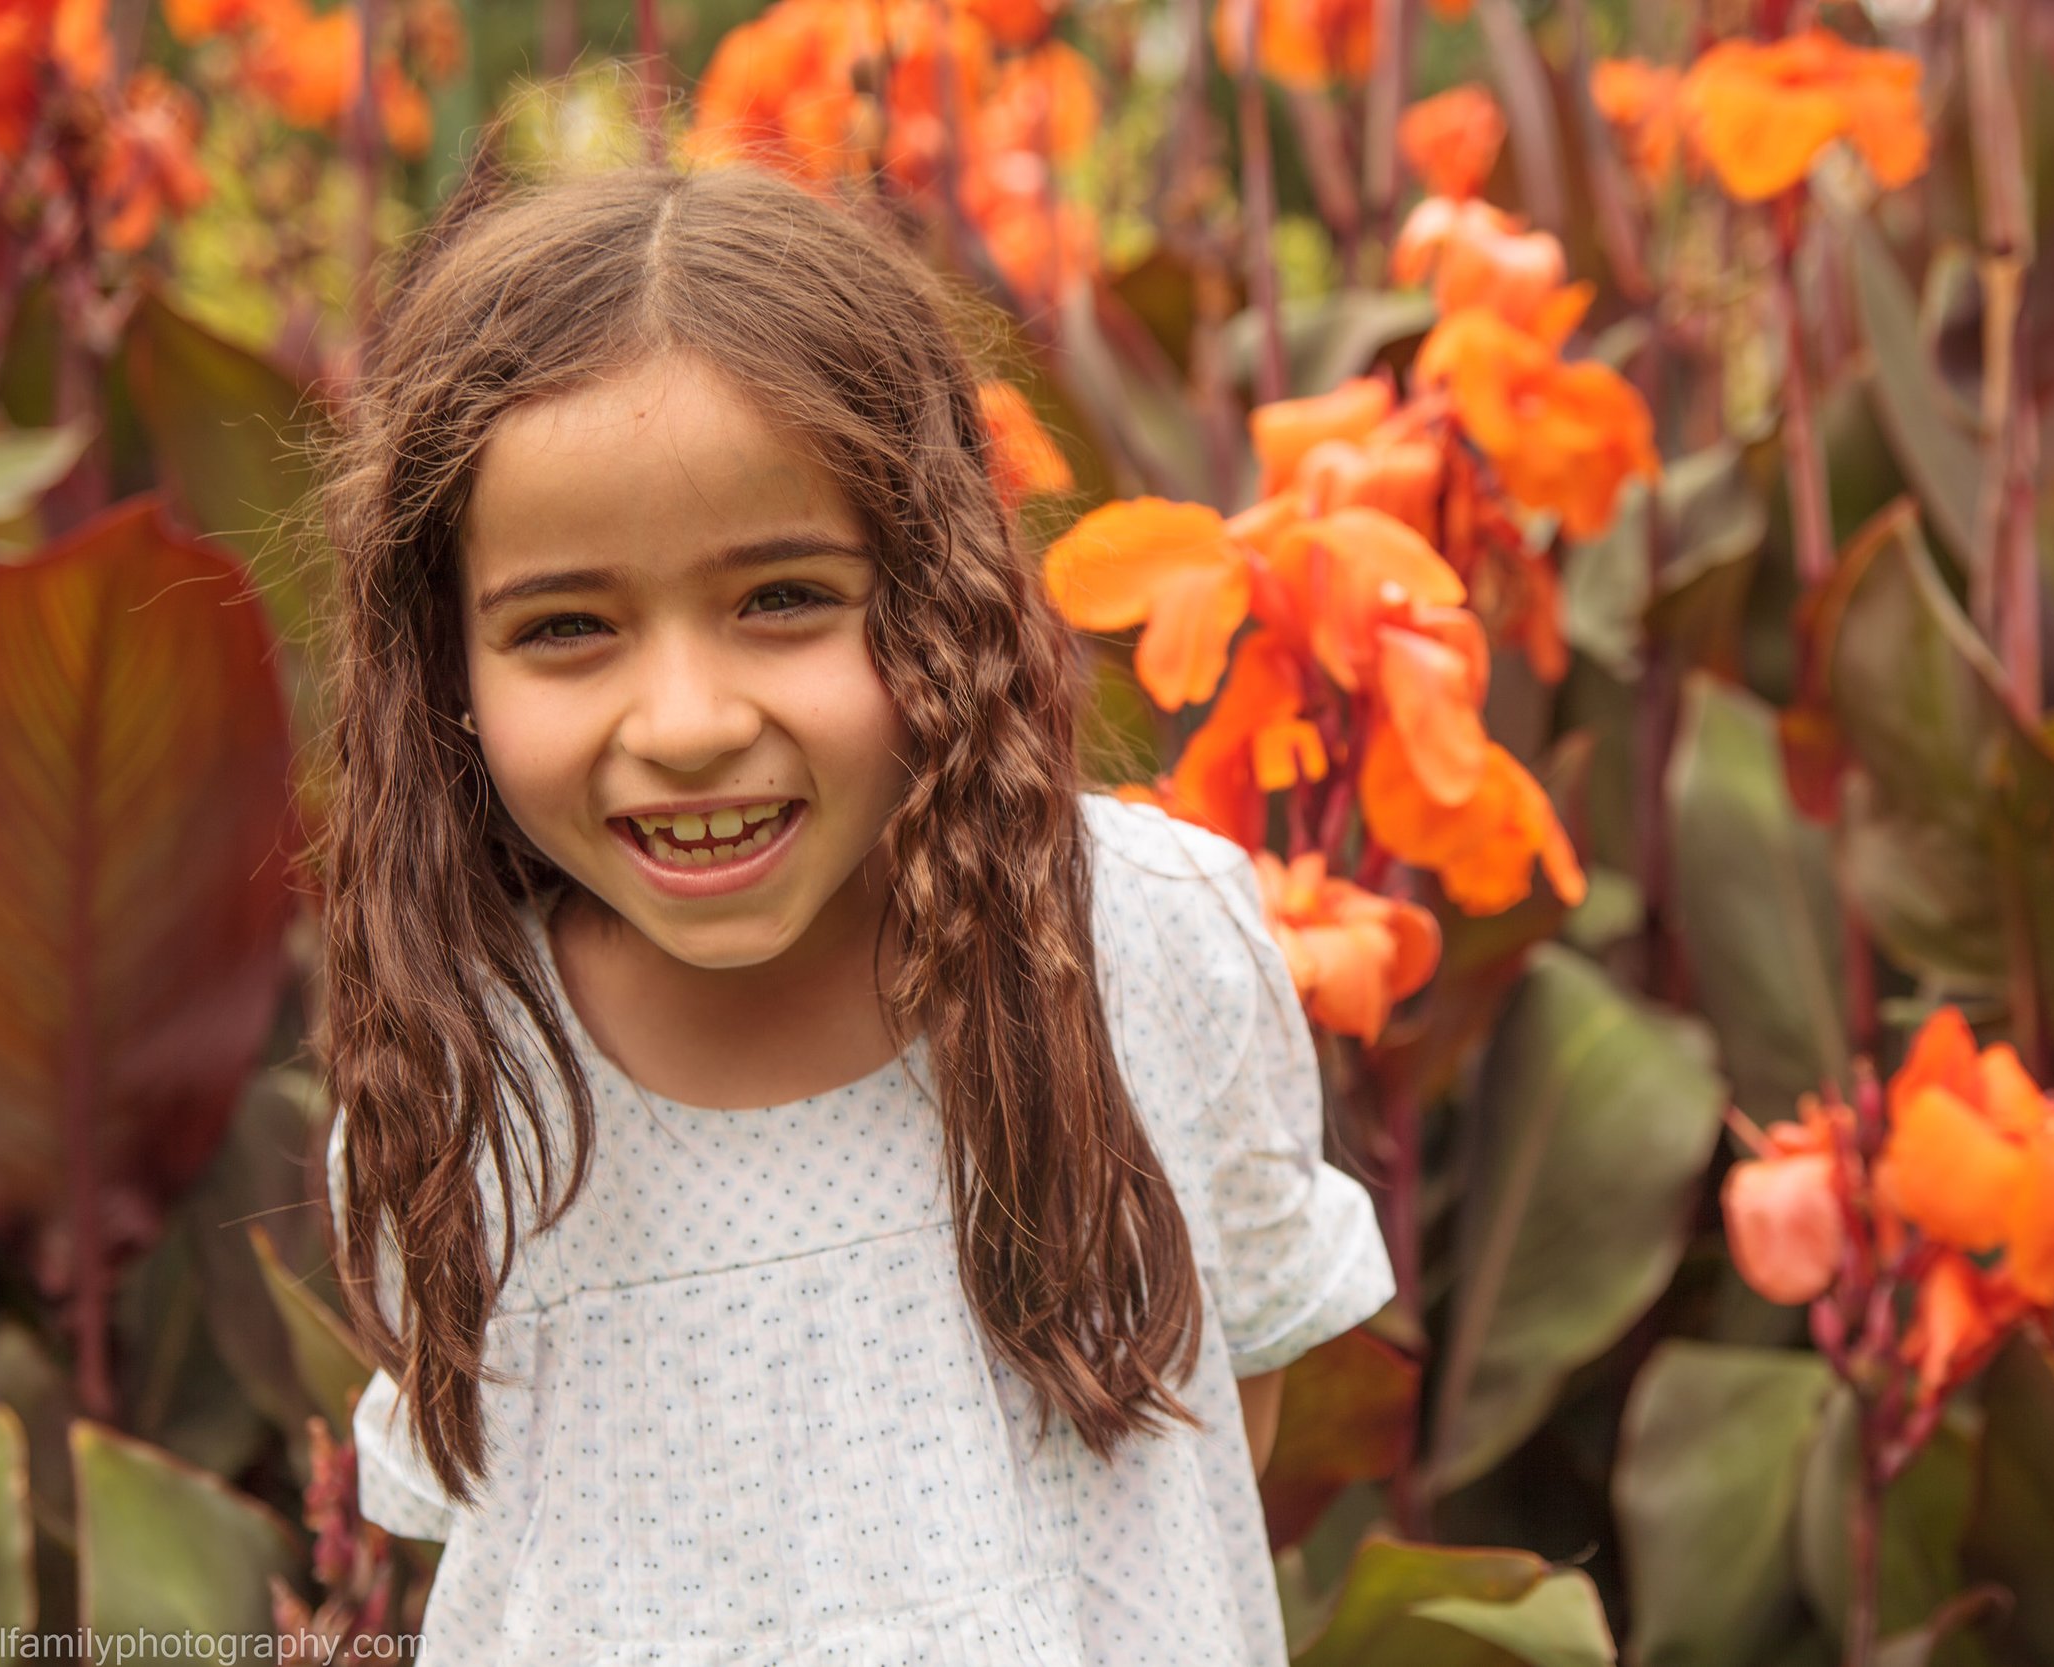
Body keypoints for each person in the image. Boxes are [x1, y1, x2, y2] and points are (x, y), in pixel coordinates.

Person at [311, 158, 1395, 1664]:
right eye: (566, 627)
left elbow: (1222, 1429)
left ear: (939, 591)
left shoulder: (1150, 950)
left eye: (783, 600)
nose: (685, 721)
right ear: (446, 671)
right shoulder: (465, 1075)